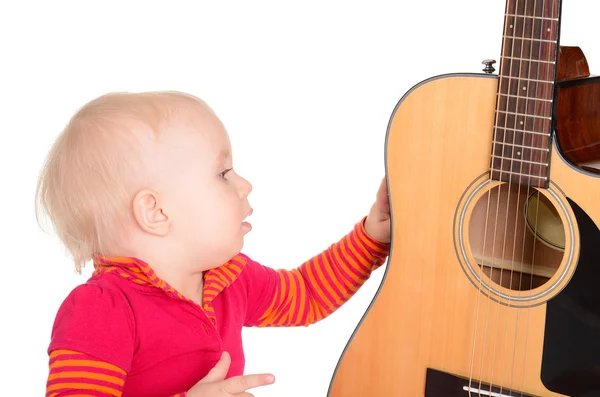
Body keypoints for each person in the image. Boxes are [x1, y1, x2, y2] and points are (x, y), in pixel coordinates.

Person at [36, 91, 391, 397]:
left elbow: (305, 294)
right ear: (156, 211)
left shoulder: (228, 277)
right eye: (223, 174)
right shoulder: (102, 309)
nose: (245, 184)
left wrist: (372, 237)